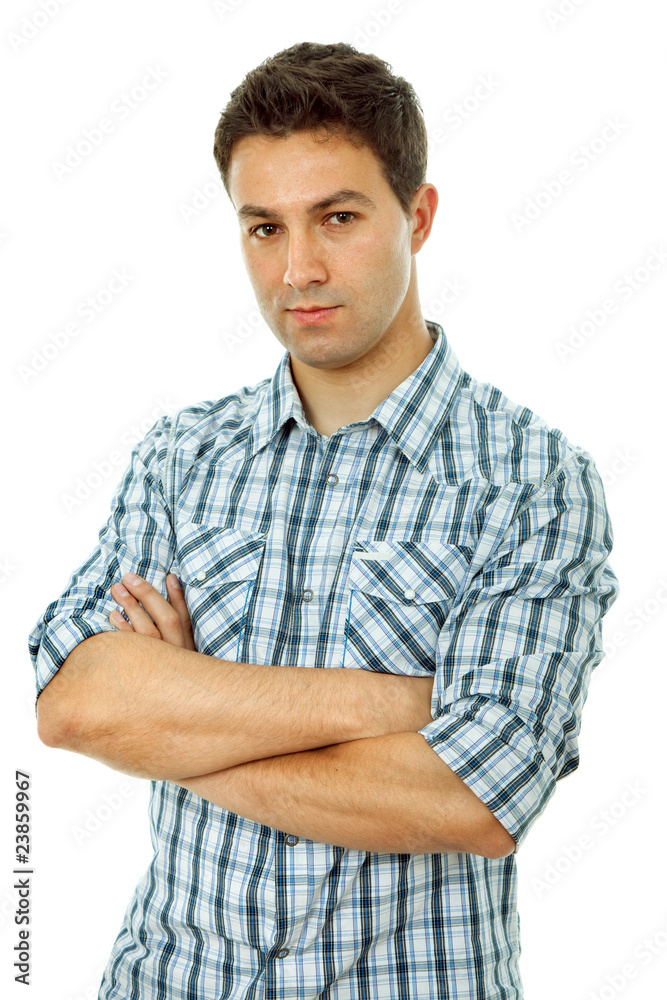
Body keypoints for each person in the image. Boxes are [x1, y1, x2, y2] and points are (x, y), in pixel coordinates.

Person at [29, 40, 620, 1000]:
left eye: (337, 218)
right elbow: (75, 706)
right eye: (263, 228)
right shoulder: (182, 458)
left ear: (416, 216)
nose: (297, 268)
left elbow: (471, 798)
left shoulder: (531, 480)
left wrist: (175, 730)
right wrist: (395, 705)